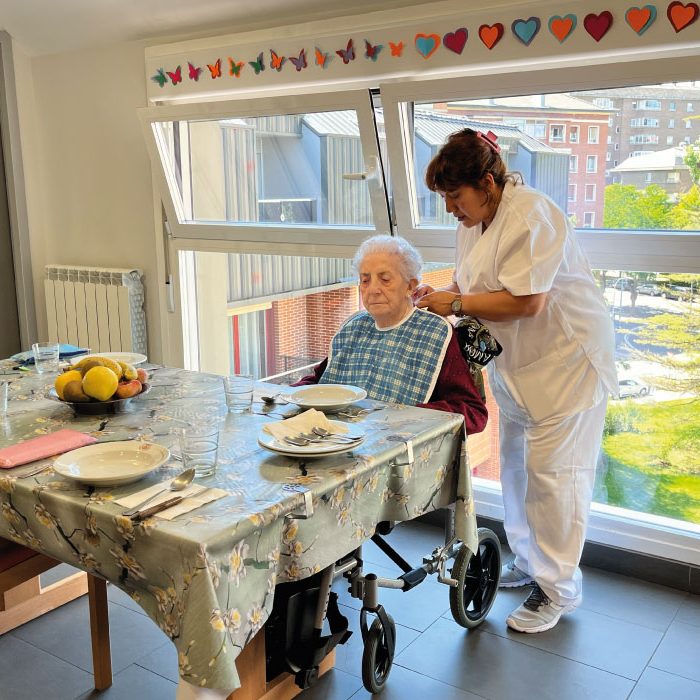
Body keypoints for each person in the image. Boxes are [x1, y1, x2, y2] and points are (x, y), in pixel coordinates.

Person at [414, 129, 618, 634]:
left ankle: (557, 590)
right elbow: (469, 282)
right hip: (520, 366)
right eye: (444, 198)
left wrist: (455, 303)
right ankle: (529, 563)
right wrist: (438, 294)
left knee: (556, 481)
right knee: (518, 472)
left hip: (566, 366)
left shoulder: (531, 215)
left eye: (455, 196)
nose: (450, 209)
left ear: (487, 183)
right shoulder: (475, 220)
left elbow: (528, 301)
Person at [295, 234, 487, 435]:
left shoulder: (434, 333)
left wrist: (408, 415)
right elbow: (320, 382)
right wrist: (284, 395)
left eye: (385, 279)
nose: (373, 290)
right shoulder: (354, 329)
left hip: (398, 449)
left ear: (410, 285)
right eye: (365, 280)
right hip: (337, 441)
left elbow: (474, 413)